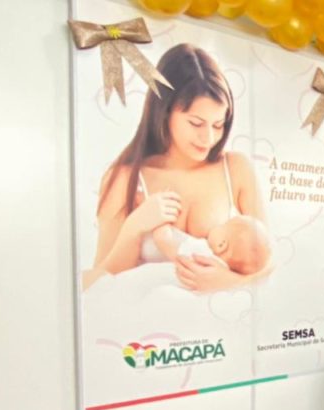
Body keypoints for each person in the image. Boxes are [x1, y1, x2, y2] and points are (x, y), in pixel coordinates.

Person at [85, 43, 268, 292]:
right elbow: (97, 282)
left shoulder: (236, 168)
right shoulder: (126, 179)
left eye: (218, 125)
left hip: (219, 315)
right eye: (196, 123)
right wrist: (134, 227)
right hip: (151, 313)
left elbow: (269, 261)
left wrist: (229, 282)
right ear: (164, 111)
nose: (208, 138)